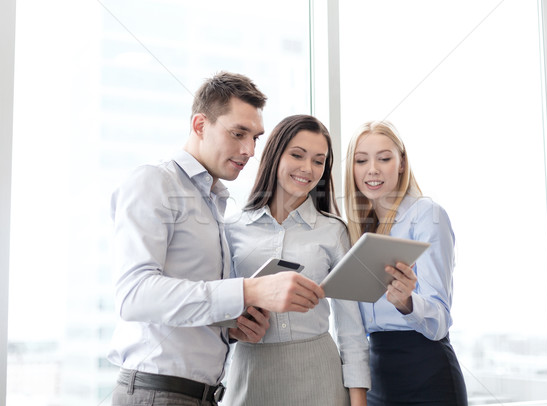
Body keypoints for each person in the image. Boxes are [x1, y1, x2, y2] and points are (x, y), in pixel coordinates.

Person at [108, 72, 325, 406]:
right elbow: (134, 296)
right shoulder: (155, 182)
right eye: (238, 134)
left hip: (203, 395)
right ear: (199, 125)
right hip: (158, 393)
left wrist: (229, 326)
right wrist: (250, 290)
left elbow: (185, 304)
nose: (249, 149)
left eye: (255, 137)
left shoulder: (212, 202)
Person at [222, 115, 370, 406]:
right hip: (250, 374)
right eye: (297, 155)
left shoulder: (333, 230)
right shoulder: (232, 229)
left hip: (320, 375)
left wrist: (358, 399)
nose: (308, 168)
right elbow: (218, 309)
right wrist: (232, 328)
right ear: (276, 155)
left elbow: (350, 326)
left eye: (319, 161)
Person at [344, 120, 467, 406]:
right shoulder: (353, 229)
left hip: (427, 376)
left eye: (384, 158)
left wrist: (407, 302)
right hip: (374, 379)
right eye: (361, 160)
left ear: (401, 163)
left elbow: (439, 321)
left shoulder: (427, 215)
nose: (372, 169)